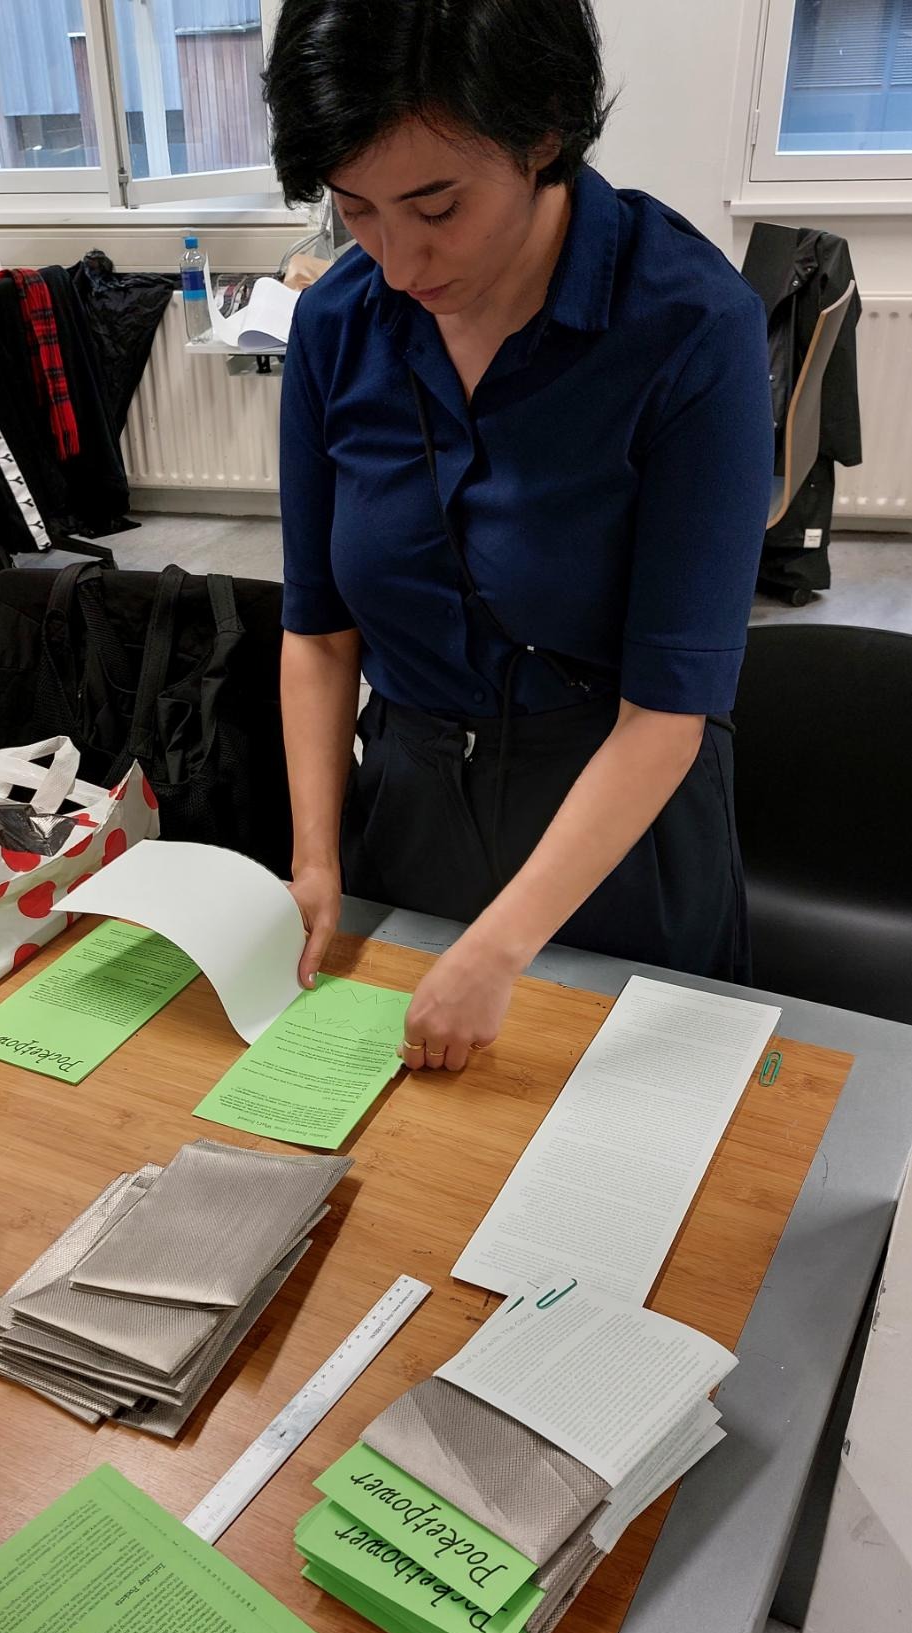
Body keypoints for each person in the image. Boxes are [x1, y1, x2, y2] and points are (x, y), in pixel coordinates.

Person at [264, 0, 775, 1073]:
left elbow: (669, 708)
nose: (397, 262)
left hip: (613, 823)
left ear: (544, 138)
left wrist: (498, 945)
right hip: (403, 809)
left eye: (436, 206)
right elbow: (317, 634)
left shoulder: (687, 327)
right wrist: (314, 855)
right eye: (355, 210)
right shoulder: (339, 325)